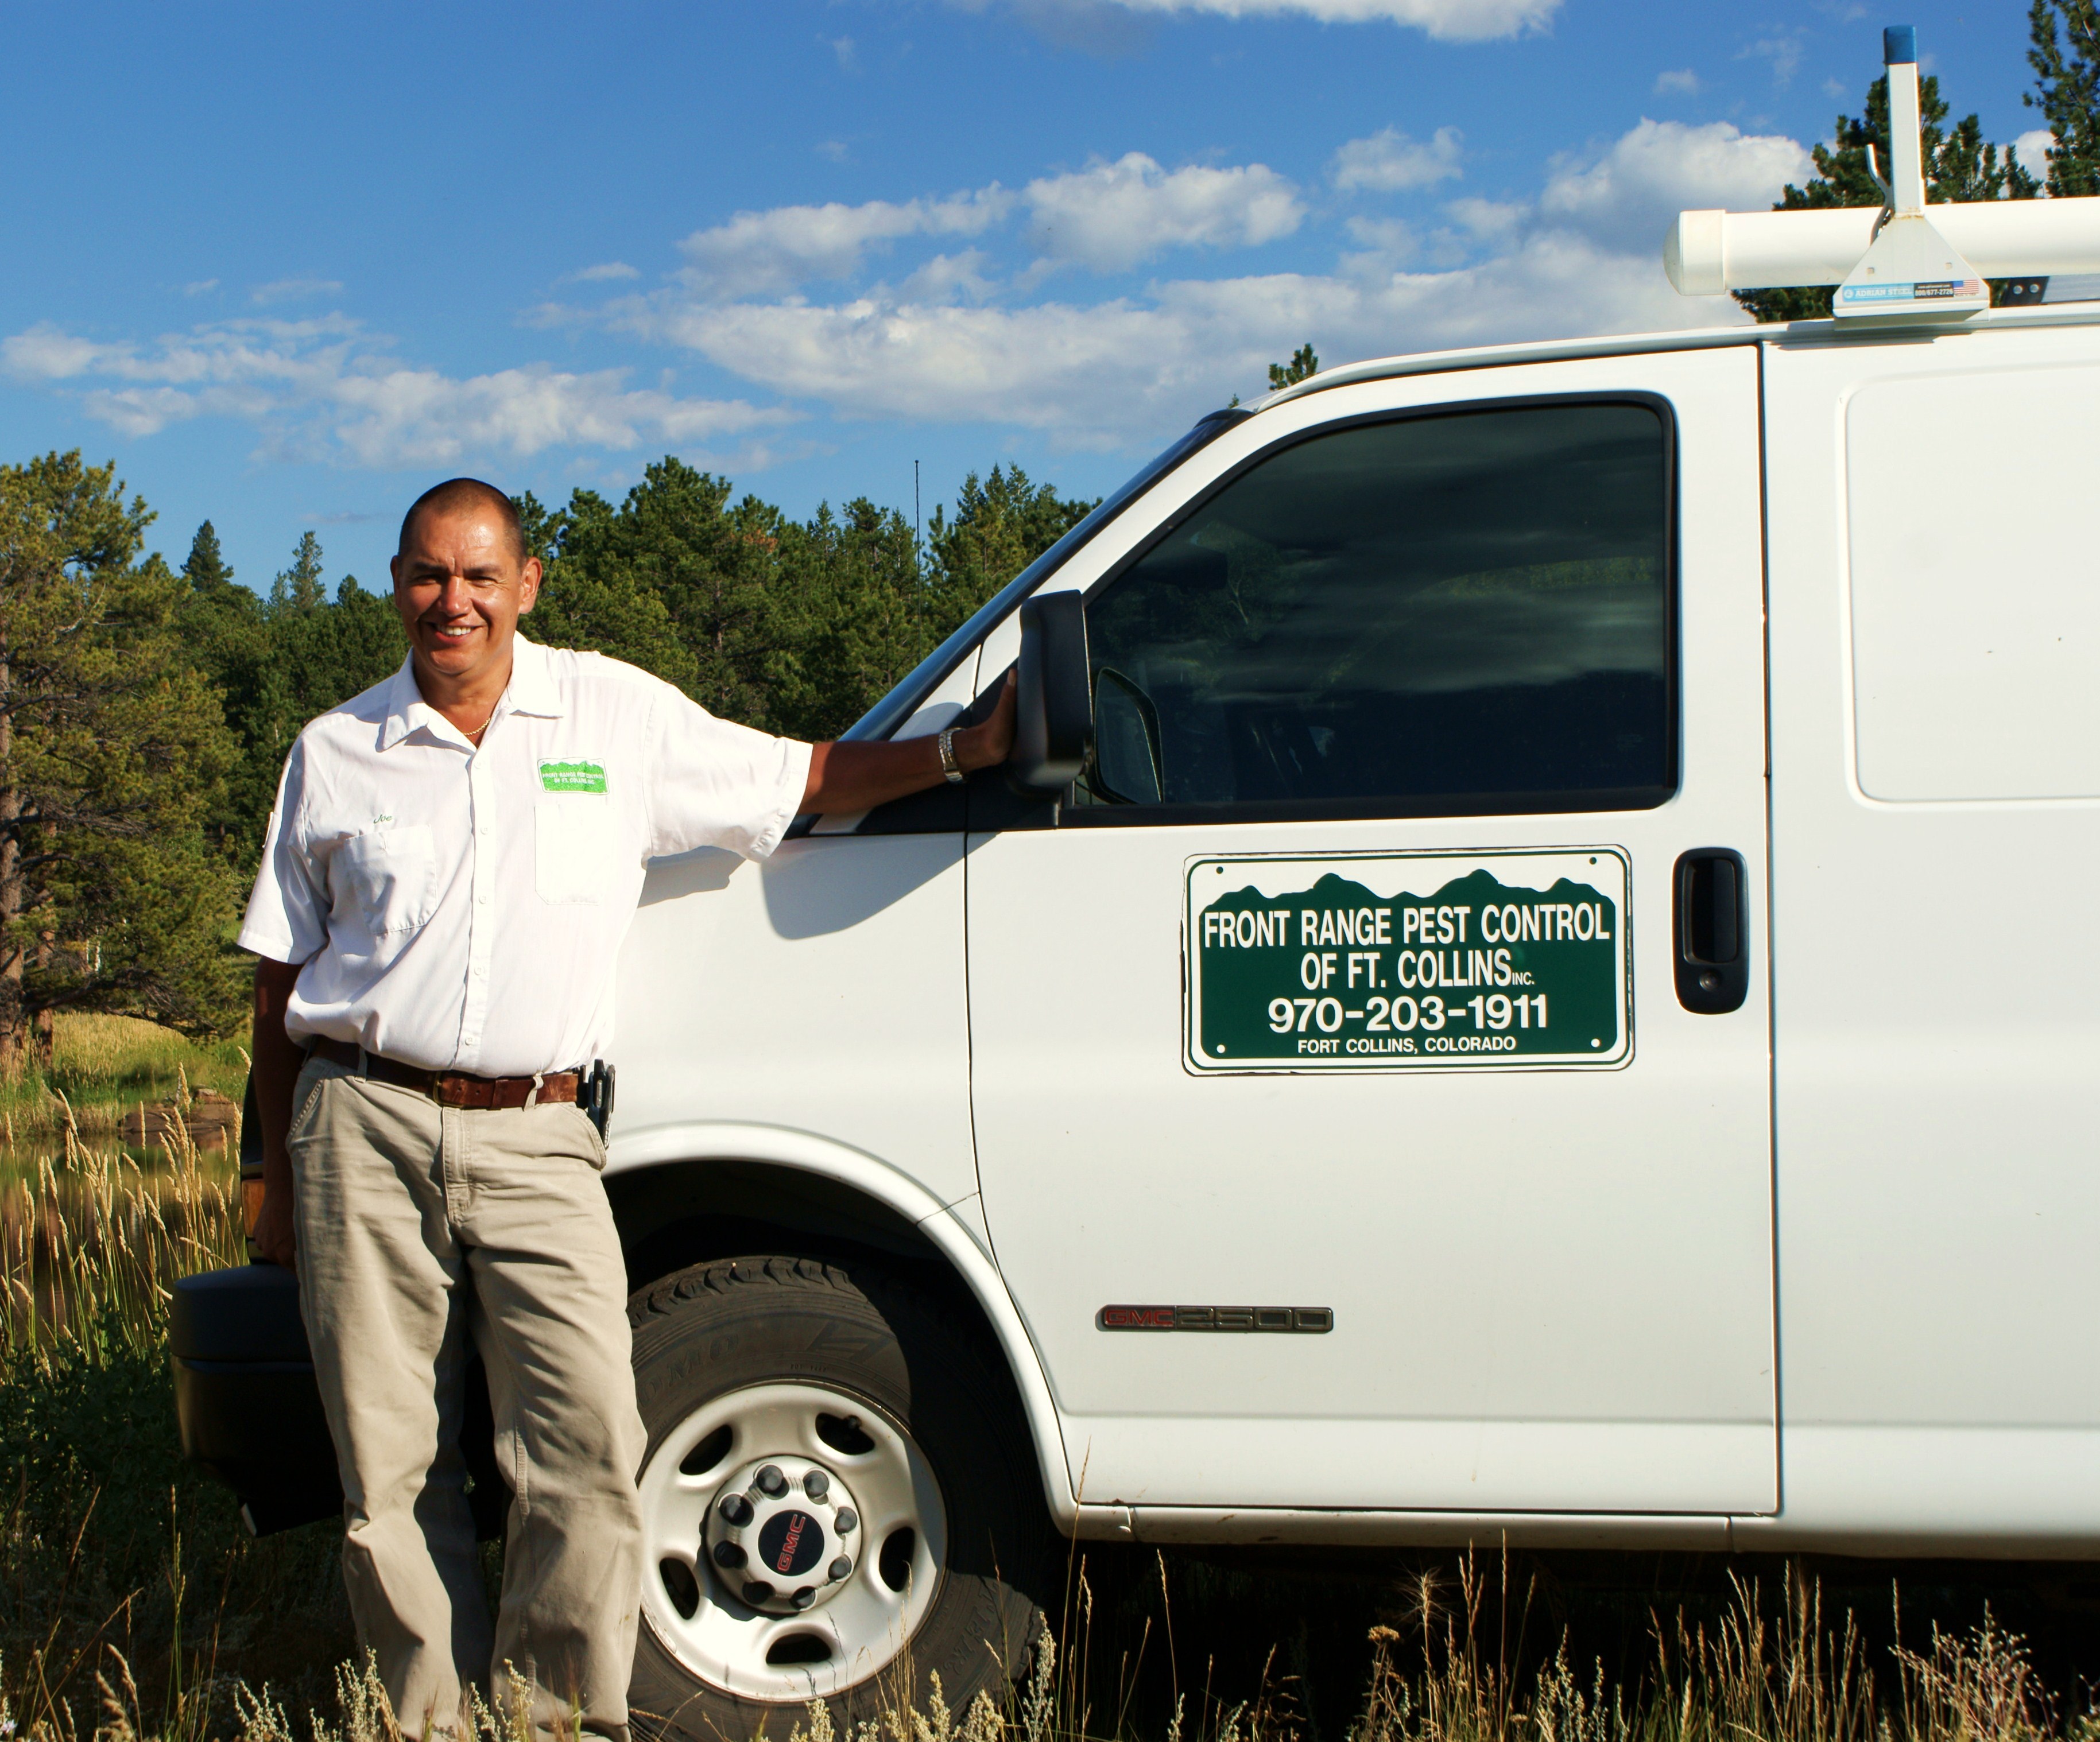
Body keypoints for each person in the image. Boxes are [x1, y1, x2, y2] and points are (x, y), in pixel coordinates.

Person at [242, 477, 1015, 1741]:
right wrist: (270, 1168)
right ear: (396, 584)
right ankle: (427, 1722)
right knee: (390, 1470)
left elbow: (800, 778)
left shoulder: (614, 714)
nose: (455, 602)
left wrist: (955, 754)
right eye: (431, 576)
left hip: (543, 1136)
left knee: (588, 1450)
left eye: (480, 577)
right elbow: (280, 979)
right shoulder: (336, 753)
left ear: (525, 585)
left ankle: (554, 1720)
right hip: (361, 1128)